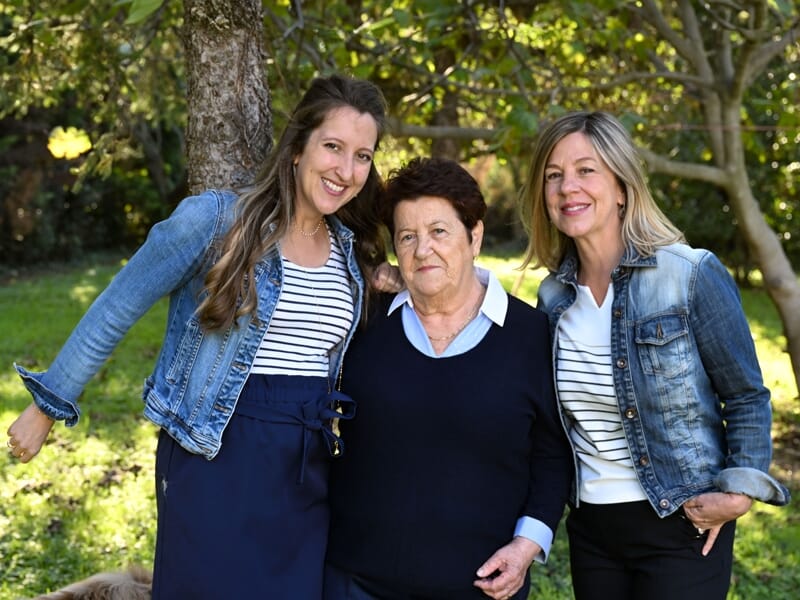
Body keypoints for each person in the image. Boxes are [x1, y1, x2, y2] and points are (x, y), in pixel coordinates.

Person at [6, 73, 388, 599]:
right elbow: (117, 306)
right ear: (298, 146)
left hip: (307, 469)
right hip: (215, 455)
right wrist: (47, 406)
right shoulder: (214, 222)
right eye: (333, 147)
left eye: (363, 156)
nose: (347, 171)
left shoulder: (350, 253)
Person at [517, 110, 791, 600]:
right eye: (553, 176)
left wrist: (740, 491)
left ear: (621, 185)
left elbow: (747, 394)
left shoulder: (688, 275)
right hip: (593, 531)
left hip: (681, 526)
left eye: (586, 170)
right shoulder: (553, 297)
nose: (566, 187)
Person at [323, 157, 572, 600]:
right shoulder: (365, 322)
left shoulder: (530, 335)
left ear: (474, 235)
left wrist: (526, 545)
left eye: (439, 232)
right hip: (355, 583)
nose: (423, 250)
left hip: (481, 587)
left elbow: (553, 455)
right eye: (408, 236)